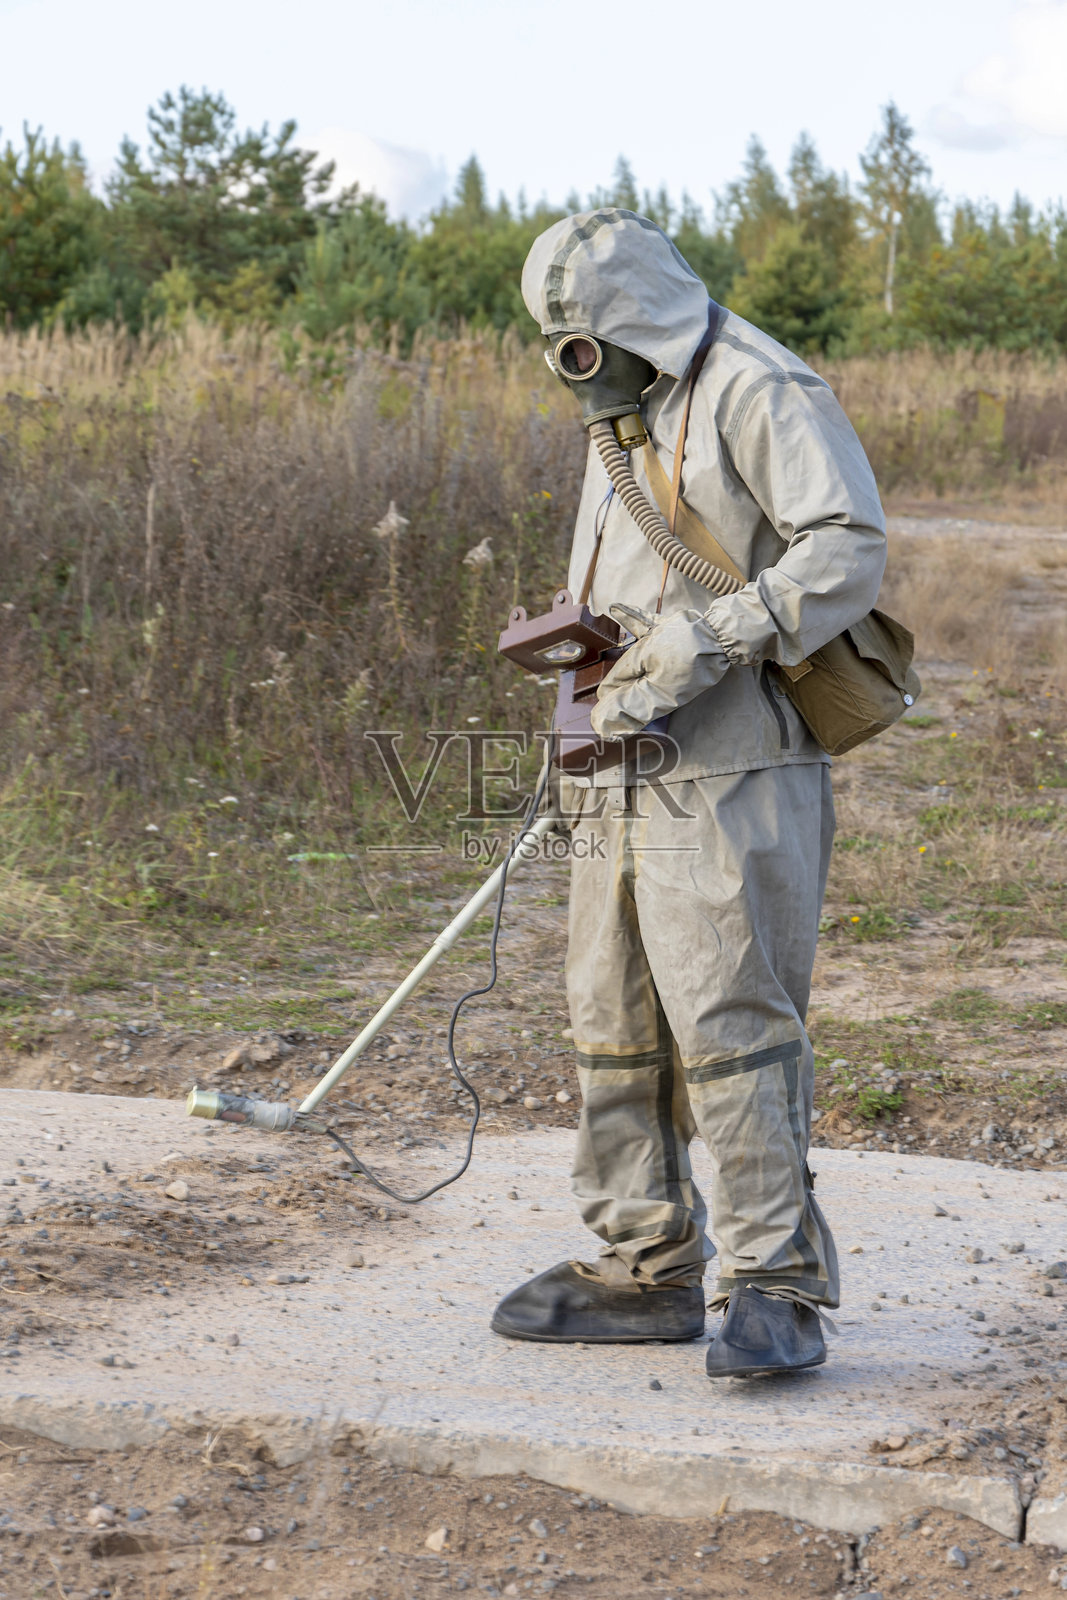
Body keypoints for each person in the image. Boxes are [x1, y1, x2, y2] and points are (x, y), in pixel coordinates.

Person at [490, 209, 887, 1377]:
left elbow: (844, 546)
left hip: (730, 757)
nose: (572, 368)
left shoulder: (759, 388)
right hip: (619, 757)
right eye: (555, 346)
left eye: (582, 344)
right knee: (611, 1012)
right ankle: (644, 1261)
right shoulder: (621, 410)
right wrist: (582, 671)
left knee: (728, 1017)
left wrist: (706, 639)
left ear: (634, 320)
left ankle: (775, 1283)